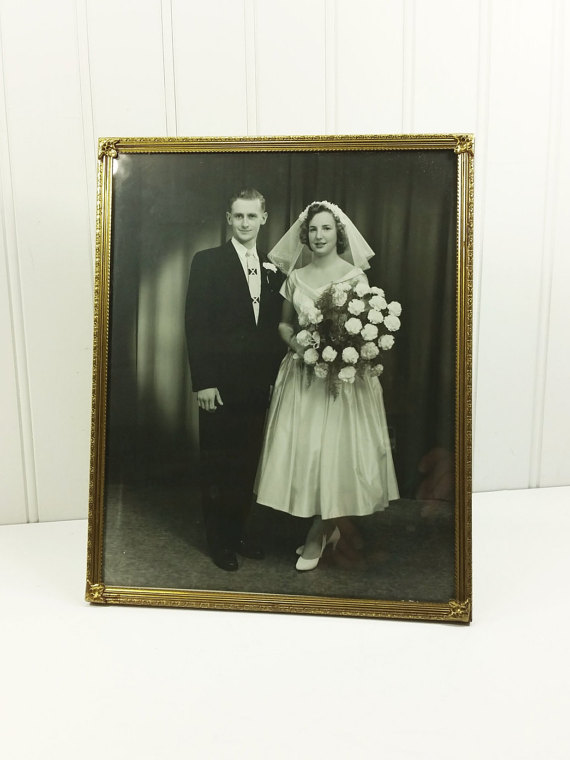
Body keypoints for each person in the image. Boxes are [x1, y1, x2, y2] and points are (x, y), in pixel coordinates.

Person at [255, 201, 399, 570]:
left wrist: (339, 352)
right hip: (302, 374)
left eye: (326, 229)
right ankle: (324, 525)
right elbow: (284, 325)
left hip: (342, 380)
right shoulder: (296, 277)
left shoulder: (354, 277)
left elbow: (362, 326)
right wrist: (300, 347)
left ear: (339, 233)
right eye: (313, 230)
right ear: (306, 235)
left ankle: (318, 533)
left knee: (336, 453)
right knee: (307, 453)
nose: (319, 236)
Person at [185, 188, 284, 571]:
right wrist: (204, 381)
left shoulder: (274, 267)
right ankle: (219, 542)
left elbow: (273, 329)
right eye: (238, 217)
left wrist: (274, 378)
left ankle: (238, 532)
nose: (245, 223)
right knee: (218, 463)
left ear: (264, 218)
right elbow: (196, 325)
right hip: (219, 386)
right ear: (229, 219)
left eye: (251, 216)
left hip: (257, 384)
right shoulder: (207, 261)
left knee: (246, 463)